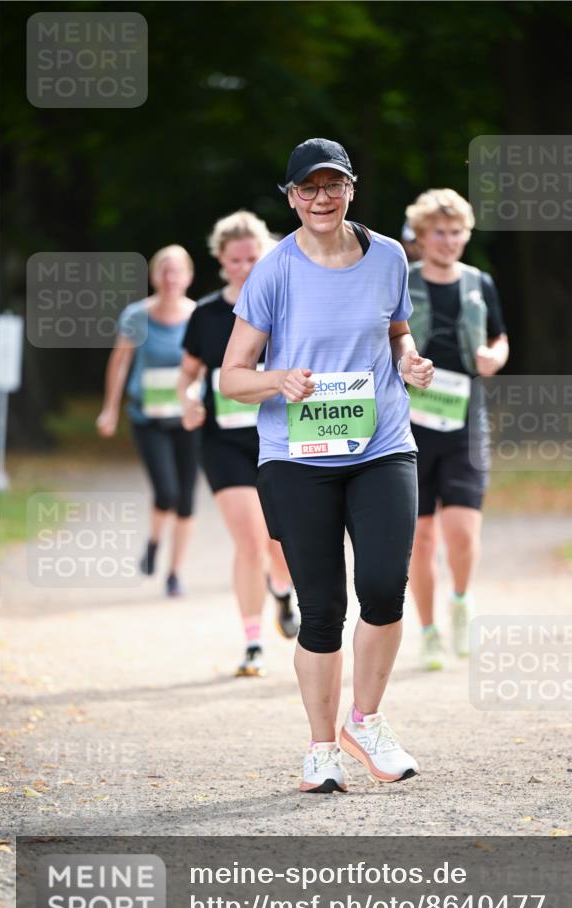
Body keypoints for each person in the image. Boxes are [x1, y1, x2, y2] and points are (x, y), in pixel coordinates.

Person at [220, 138, 434, 793]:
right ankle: (320, 748)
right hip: (297, 456)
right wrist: (278, 379)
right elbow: (232, 378)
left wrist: (408, 359)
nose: (321, 198)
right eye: (307, 189)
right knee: (320, 608)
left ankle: (364, 721)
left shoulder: (390, 257)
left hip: (380, 444)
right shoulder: (275, 271)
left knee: (381, 586)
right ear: (290, 197)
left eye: (332, 186)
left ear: (351, 189)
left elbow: (396, 328)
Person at [178, 211, 300, 678]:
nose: (245, 267)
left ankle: (283, 592)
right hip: (223, 443)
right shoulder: (206, 313)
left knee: (279, 541)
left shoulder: (286, 305)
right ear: (221, 260)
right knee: (249, 540)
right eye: (235, 260)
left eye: (254, 258)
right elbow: (188, 375)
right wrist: (189, 400)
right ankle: (252, 645)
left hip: (281, 435)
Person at [404, 189, 509, 668]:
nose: (448, 241)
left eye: (456, 233)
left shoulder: (478, 283)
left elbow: (498, 336)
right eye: (439, 233)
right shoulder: (402, 283)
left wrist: (494, 357)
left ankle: (461, 604)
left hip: (465, 419)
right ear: (421, 237)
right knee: (420, 538)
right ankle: (427, 631)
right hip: (409, 423)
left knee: (462, 533)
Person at [96, 245, 199, 597]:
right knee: (166, 492)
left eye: (177, 271)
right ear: (155, 276)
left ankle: (174, 573)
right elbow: (119, 362)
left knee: (186, 499)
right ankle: (154, 543)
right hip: (148, 416)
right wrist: (110, 408)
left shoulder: (198, 315)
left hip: (187, 417)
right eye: (164, 271)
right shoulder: (136, 316)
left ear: (188, 276)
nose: (171, 278)